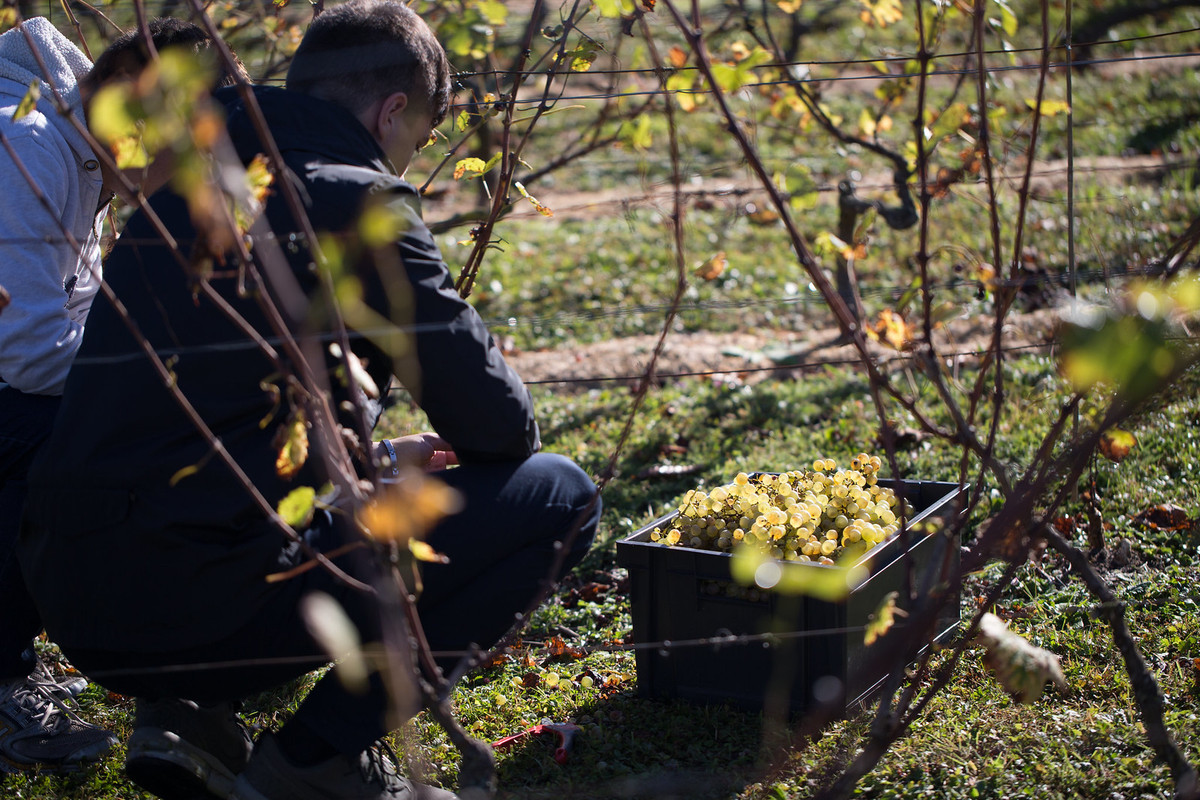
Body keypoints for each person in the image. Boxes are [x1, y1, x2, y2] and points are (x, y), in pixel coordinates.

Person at [18, 2, 601, 799]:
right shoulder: (357, 204)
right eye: (417, 140)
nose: (406, 158)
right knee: (560, 497)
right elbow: (500, 427)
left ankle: (191, 714)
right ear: (393, 110)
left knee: (204, 511)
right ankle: (314, 759)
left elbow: (202, 418)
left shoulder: (174, 187)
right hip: (199, 600)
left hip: (72, 590)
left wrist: (366, 461)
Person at [0, 15, 249, 775]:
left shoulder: (76, 155)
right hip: (11, 386)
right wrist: (169, 391)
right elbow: (28, 354)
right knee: (75, 449)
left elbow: (80, 318)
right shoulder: (29, 147)